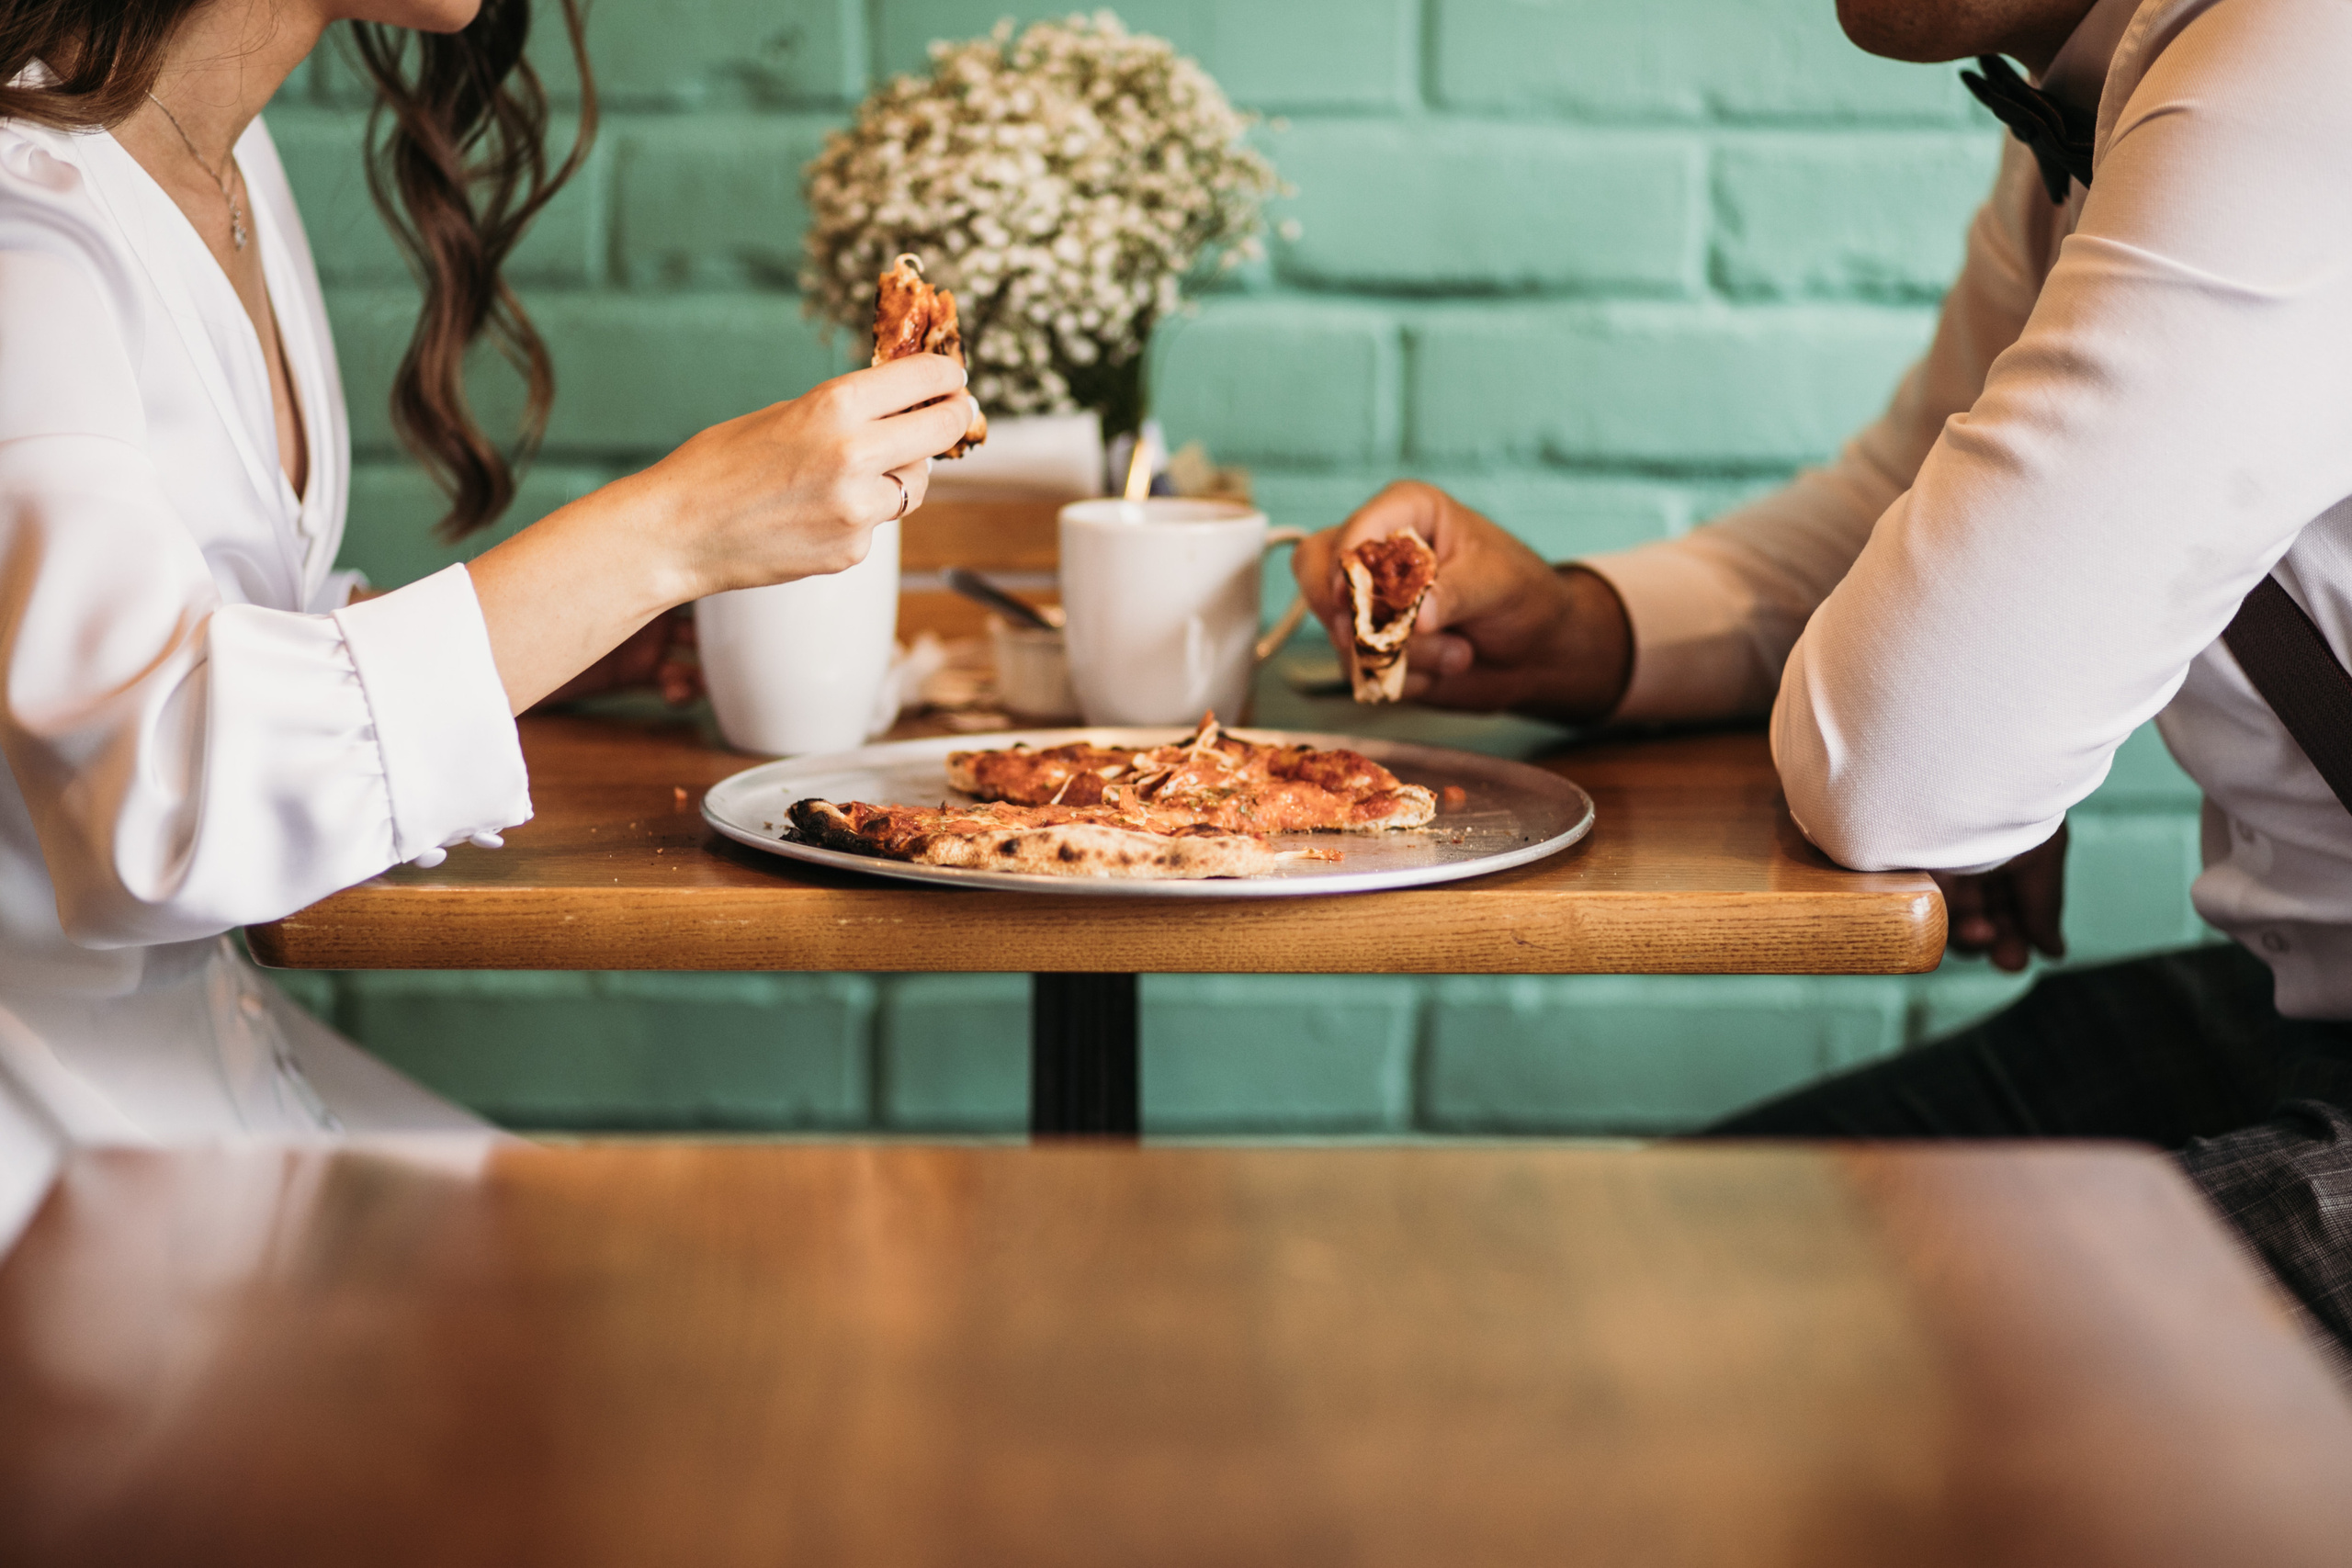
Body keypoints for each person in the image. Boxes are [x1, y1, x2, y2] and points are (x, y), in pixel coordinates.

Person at [1296, 0, 2352, 1367]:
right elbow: (1902, 511)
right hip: (2296, 1011)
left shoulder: (2296, 71)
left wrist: (1988, 678)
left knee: (1600, 1374)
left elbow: (1911, 759)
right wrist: (1581, 624)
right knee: (1539, 1290)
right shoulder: (2100, 102)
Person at [0, 0, 977, 1247]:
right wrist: (667, 531)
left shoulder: (223, 160)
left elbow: (202, 631)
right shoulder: (25, 221)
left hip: (213, 1076)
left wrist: (565, 647)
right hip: (61, 1173)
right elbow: (153, 784)